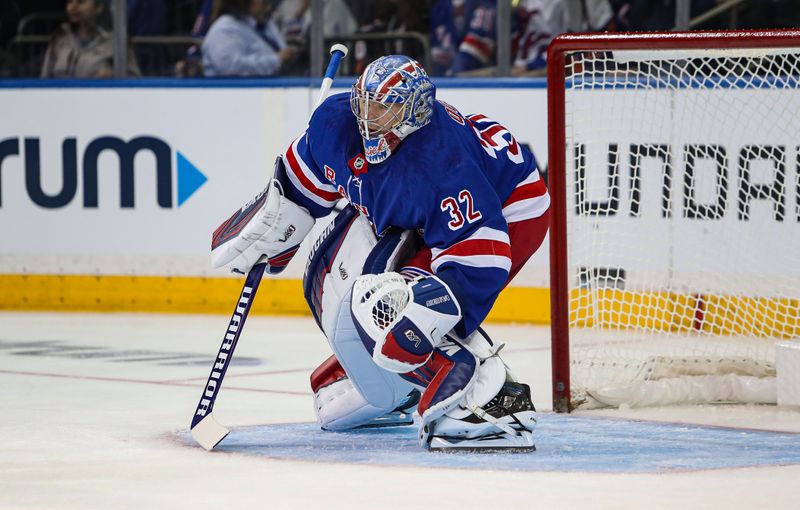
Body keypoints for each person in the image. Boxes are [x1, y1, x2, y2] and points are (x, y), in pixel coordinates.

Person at [210, 55, 550, 450]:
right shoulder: (334, 123)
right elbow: (301, 185)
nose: (370, 118)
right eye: (366, 104)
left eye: (385, 110)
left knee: (391, 302)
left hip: (508, 211)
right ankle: (394, 389)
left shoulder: (440, 166)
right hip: (433, 211)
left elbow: (477, 264)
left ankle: (484, 395)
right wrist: (277, 229)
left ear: (414, 115)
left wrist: (421, 321)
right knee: (327, 269)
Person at [41, 0, 141, 78]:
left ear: (98, 8)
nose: (73, 7)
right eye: (69, 2)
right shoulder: (60, 38)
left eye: (81, 2)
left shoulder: (114, 41)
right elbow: (44, 79)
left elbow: (134, 79)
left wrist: (113, 75)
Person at [201, 0, 296, 77]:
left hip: (275, 88)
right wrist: (275, 60)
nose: (265, 2)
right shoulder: (225, 28)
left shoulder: (267, 25)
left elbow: (283, 52)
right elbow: (231, 68)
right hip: (236, 95)